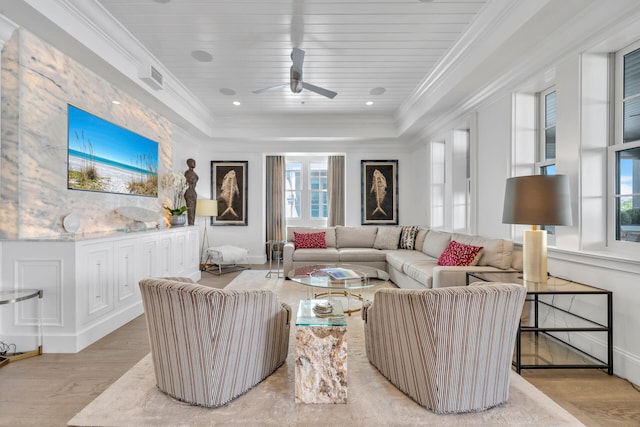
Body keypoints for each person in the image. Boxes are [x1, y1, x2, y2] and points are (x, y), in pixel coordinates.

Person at [184, 158, 198, 226]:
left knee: (194, 210)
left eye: (194, 162)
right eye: (193, 162)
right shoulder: (187, 173)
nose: (194, 163)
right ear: (189, 163)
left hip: (194, 192)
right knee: (190, 210)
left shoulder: (195, 174)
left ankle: (192, 225)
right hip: (189, 192)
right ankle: (191, 225)